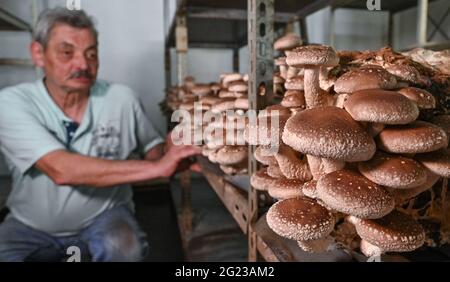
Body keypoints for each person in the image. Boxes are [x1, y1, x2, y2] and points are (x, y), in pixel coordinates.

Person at [0, 7, 200, 262]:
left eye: (91, 53)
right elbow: (61, 169)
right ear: (38, 53)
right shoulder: (12, 103)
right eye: (67, 53)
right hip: (30, 226)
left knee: (124, 248)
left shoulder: (121, 99)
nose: (83, 64)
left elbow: (155, 153)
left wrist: (170, 151)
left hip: (104, 217)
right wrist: (160, 168)